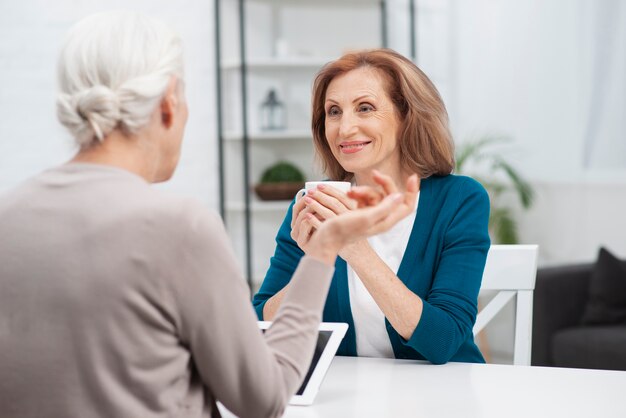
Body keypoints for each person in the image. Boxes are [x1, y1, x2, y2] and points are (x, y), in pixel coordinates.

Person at [0, 13, 417, 418]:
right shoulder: (178, 226)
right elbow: (263, 398)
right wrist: (324, 250)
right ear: (169, 103)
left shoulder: (10, 216)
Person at [253, 48, 491, 365]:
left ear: (408, 116)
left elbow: (444, 340)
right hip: (350, 397)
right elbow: (261, 327)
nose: (345, 128)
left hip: (444, 394)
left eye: (365, 108)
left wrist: (354, 248)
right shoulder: (315, 205)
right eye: (333, 112)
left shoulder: (460, 200)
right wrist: (317, 259)